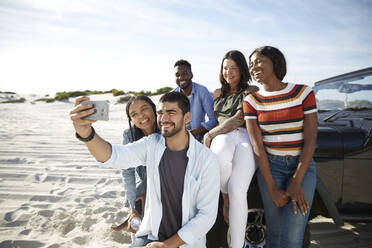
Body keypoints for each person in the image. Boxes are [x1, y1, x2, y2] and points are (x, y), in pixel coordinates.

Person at [70, 92, 220, 248]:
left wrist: (167, 245)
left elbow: (206, 216)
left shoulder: (206, 159)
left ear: (187, 117)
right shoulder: (151, 144)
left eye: (171, 112)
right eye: (161, 113)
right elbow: (113, 156)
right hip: (150, 236)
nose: (164, 118)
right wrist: (86, 133)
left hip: (185, 243)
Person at [243, 46, 317, 248]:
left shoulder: (303, 92)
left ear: (275, 61)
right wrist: (272, 187)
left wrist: (296, 181)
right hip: (271, 169)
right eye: (251, 65)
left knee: (292, 237)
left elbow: (311, 139)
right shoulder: (251, 101)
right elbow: (258, 146)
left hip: (302, 168)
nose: (254, 67)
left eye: (259, 61)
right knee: (274, 235)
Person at [203, 50, 257, 248]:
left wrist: (209, 135)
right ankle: (225, 199)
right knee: (219, 158)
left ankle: (236, 245)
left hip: (244, 136)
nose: (229, 72)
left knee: (238, 190)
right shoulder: (217, 93)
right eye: (226, 68)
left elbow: (238, 119)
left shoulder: (251, 91)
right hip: (222, 136)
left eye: (234, 68)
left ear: (242, 70)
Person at [111, 95, 158, 233]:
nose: (141, 116)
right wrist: (132, 207)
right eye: (134, 114)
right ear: (131, 120)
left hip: (167, 183)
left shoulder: (166, 128)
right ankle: (133, 217)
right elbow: (127, 172)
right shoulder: (129, 134)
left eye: (144, 109)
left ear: (154, 109)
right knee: (136, 200)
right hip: (143, 182)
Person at [173, 59, 217, 141]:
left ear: (191, 75)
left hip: (198, 138)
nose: (181, 77)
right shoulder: (172, 95)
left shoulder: (202, 91)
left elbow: (214, 119)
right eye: (177, 75)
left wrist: (194, 132)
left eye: (184, 74)